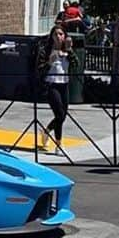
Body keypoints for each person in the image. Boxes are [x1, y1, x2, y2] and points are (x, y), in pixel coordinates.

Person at [38, 24, 73, 152]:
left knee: (63, 116)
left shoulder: (67, 51)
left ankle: (46, 131)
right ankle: (59, 144)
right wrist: (49, 63)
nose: (58, 37)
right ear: (52, 37)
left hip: (64, 84)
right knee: (59, 114)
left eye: (61, 34)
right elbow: (39, 70)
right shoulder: (46, 51)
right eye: (55, 34)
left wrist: (70, 51)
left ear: (65, 36)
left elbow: (76, 65)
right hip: (51, 85)